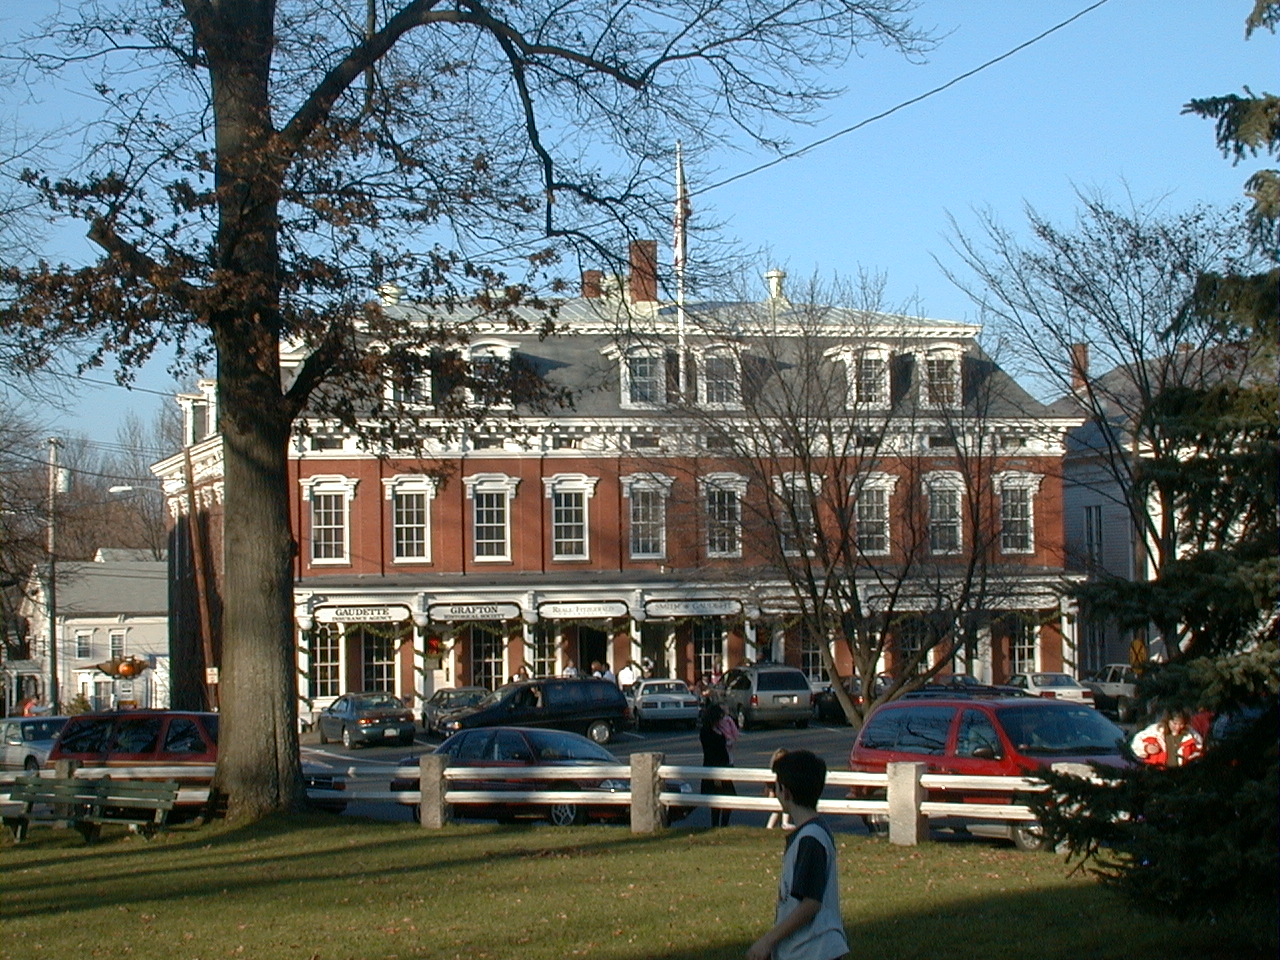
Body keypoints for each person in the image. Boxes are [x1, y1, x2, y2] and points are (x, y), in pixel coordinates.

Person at [747, 750, 849, 960]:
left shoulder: (810, 838)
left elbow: (811, 903)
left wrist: (768, 940)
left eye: (777, 785)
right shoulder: (811, 834)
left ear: (785, 792)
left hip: (814, 950)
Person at [699, 702, 739, 827]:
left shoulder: (717, 730)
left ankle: (722, 825)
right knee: (719, 799)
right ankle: (717, 825)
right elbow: (713, 750)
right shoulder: (707, 732)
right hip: (715, 769)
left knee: (727, 799)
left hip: (723, 767)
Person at [1131, 709, 1204, 768]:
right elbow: (1136, 743)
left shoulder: (1191, 735)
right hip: (1157, 773)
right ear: (1168, 720)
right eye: (1175, 723)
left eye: (1181, 724)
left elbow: (1199, 751)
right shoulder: (1156, 731)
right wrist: (1146, 748)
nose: (1178, 727)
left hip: (1182, 775)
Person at [765, 748, 794, 831]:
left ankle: (772, 826)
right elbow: (771, 792)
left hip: (783, 797)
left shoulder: (787, 774)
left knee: (786, 804)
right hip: (778, 798)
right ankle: (783, 823)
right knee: (782, 807)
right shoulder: (773, 774)